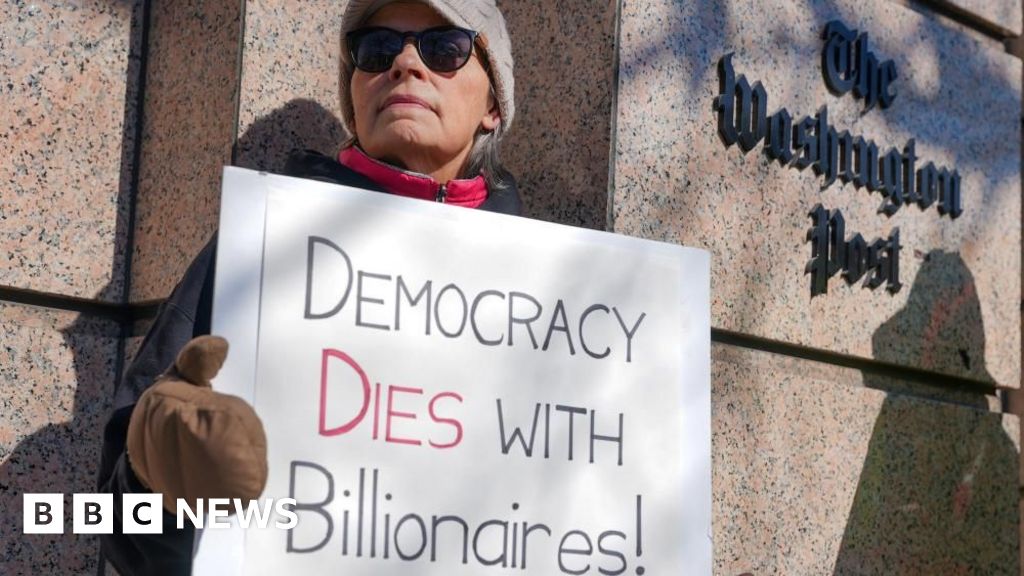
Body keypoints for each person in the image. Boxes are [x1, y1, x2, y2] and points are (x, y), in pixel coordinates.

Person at [97, 1, 520, 573]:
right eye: (377, 49)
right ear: (355, 93)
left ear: (493, 104)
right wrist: (163, 473)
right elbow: (116, 524)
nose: (404, 64)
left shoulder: (556, 294)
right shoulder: (261, 246)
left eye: (445, 48)